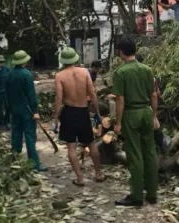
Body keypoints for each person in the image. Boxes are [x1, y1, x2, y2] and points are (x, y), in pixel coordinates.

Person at [112, 37, 159, 207]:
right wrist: (154, 116)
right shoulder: (147, 69)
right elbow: (154, 95)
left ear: (121, 52)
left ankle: (137, 196)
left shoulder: (121, 72)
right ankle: (152, 194)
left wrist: (117, 122)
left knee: (135, 155)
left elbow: (120, 100)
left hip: (131, 114)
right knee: (150, 153)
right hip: (147, 112)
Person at [53, 47, 106, 187]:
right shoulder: (84, 72)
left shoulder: (60, 76)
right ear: (75, 59)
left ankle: (80, 179)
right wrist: (97, 114)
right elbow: (93, 94)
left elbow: (58, 98)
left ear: (63, 61)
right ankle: (98, 174)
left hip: (69, 112)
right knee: (91, 143)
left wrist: (55, 119)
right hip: (83, 111)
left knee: (71, 146)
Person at [6, 50, 47, 172]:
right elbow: (31, 95)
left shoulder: (9, 74)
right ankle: (34, 164)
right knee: (29, 136)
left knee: (16, 135)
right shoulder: (27, 74)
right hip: (27, 110)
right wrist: (35, 111)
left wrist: (9, 109)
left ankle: (14, 161)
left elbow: (7, 95)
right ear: (24, 61)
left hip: (14, 109)